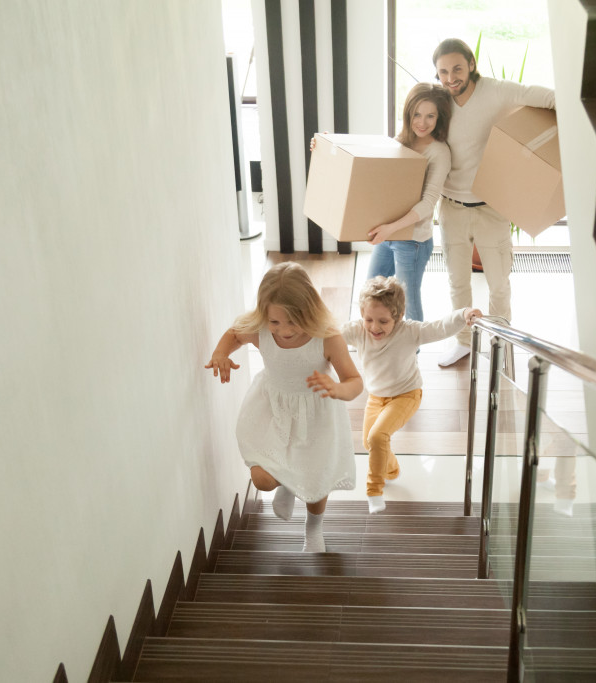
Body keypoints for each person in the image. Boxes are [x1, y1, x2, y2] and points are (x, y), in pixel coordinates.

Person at [205, 262, 363, 552]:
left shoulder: (326, 337)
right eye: (275, 322)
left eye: (293, 321)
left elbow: (354, 380)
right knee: (263, 479)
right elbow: (235, 334)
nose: (284, 330)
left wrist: (339, 389)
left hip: (317, 415)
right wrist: (220, 353)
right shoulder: (262, 330)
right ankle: (287, 483)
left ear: (310, 311)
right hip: (273, 410)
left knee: (316, 479)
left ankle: (313, 529)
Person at [431, 38, 556, 366]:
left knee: (499, 284)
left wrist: (576, 109)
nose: (450, 77)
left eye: (457, 68)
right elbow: (408, 134)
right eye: (443, 72)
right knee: (458, 283)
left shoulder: (496, 91)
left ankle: (502, 340)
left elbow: (536, 95)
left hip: (492, 207)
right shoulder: (438, 100)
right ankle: (463, 341)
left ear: (471, 65)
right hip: (450, 209)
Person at [341, 276, 481, 513]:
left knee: (377, 437)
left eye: (383, 321)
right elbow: (328, 333)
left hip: (406, 395)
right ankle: (392, 470)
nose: (375, 327)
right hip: (375, 397)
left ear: (398, 316)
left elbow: (439, 327)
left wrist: (463, 314)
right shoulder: (357, 330)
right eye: (369, 319)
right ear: (362, 316)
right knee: (370, 442)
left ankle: (374, 490)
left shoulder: (410, 332)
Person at [365, 83, 453, 322]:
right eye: (417, 114)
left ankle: (412, 357)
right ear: (408, 114)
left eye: (430, 116)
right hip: (388, 234)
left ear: (439, 118)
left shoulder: (439, 152)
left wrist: (390, 229)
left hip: (412, 241)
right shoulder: (399, 142)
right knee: (370, 292)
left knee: (408, 303)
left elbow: (428, 204)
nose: (422, 123)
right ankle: (377, 349)